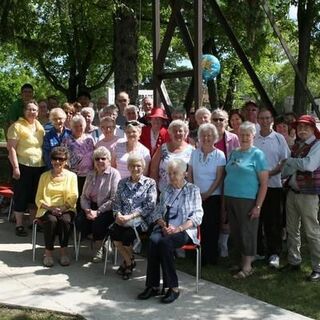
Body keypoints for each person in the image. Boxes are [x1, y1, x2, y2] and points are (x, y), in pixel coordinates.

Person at [137, 159, 203, 303]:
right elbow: (157, 212)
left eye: (175, 173)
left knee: (165, 243)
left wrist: (178, 228)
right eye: (170, 173)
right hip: (165, 228)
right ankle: (153, 285)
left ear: (184, 174)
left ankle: (173, 287)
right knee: (154, 241)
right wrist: (161, 223)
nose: (172, 176)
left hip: (184, 230)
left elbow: (198, 216)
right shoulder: (166, 190)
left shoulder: (193, 190)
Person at [224, 121, 268, 278]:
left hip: (247, 199)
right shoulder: (234, 152)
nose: (244, 137)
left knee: (247, 232)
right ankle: (238, 262)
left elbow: (264, 183)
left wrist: (258, 206)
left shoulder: (258, 155)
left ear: (253, 136)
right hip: (231, 197)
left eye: (247, 135)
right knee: (235, 232)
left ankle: (248, 266)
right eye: (241, 134)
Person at [281, 115, 320, 282]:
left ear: (313, 129)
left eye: (306, 127)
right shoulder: (298, 145)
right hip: (293, 192)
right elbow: (288, 170)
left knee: (311, 232)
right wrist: (295, 163)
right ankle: (294, 261)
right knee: (292, 229)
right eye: (299, 127)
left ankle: (318, 267)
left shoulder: (317, 145)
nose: (302, 130)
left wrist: (291, 161)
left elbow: (309, 165)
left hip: (309, 195)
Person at [111, 153, 157, 280]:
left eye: (138, 166)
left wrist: (130, 216)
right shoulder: (122, 182)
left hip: (140, 221)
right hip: (122, 219)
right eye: (132, 166)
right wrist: (118, 215)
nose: (135, 168)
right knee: (114, 234)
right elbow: (116, 202)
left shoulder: (150, 183)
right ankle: (130, 261)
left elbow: (150, 206)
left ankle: (127, 263)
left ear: (143, 167)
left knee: (126, 237)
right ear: (128, 167)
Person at [254, 108, 290, 268]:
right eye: (261, 118)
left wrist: (270, 173)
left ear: (272, 120)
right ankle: (258, 251)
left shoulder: (279, 138)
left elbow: (284, 160)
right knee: (256, 219)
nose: (264, 121)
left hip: (273, 185)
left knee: (273, 220)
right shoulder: (253, 138)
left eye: (267, 118)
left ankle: (274, 253)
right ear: (258, 120)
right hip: (254, 185)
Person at [188, 123, 226, 265]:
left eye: (209, 135)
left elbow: (219, 177)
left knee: (212, 226)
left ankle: (211, 257)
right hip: (196, 196)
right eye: (203, 135)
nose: (206, 138)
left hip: (213, 196)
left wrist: (208, 193)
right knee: (199, 226)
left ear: (214, 137)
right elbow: (190, 173)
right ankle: (199, 256)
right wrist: (194, 191)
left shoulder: (219, 155)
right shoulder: (194, 153)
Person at [7, 101, 45, 236]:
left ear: (38, 112)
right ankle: (19, 225)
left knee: (35, 196)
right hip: (22, 165)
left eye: (35, 110)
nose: (32, 112)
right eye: (29, 109)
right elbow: (11, 148)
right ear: (24, 111)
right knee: (21, 195)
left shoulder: (39, 126)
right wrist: (15, 167)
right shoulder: (17, 126)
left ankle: (33, 222)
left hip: (39, 166)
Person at [35, 147, 78, 267]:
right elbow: (38, 198)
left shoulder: (72, 176)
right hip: (47, 208)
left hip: (66, 208)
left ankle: (63, 252)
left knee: (65, 220)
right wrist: (50, 208)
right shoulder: (44, 176)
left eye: (61, 159)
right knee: (51, 220)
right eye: (55, 159)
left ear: (66, 161)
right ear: (51, 160)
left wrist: (63, 208)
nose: (58, 162)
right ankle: (48, 253)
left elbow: (74, 196)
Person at [78, 147, 121, 262]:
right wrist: (87, 209)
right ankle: (100, 240)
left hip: (107, 208)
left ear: (109, 160)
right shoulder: (91, 174)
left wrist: (98, 211)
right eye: (97, 159)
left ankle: (99, 248)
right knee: (80, 221)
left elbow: (114, 199)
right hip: (91, 206)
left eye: (103, 158)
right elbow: (84, 196)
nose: (100, 161)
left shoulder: (114, 174)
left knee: (98, 223)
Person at [150, 120, 193, 193]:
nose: (177, 133)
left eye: (180, 131)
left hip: (184, 193)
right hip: (164, 192)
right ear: (170, 134)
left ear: (185, 133)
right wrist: (155, 190)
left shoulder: (192, 150)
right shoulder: (162, 148)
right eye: (174, 131)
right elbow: (153, 170)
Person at [61, 115, 95, 208]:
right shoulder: (66, 140)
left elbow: (95, 156)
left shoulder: (90, 139)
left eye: (81, 125)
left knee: (88, 198)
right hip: (74, 175)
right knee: (75, 197)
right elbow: (63, 159)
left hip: (89, 175)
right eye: (75, 126)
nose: (78, 128)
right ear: (71, 127)